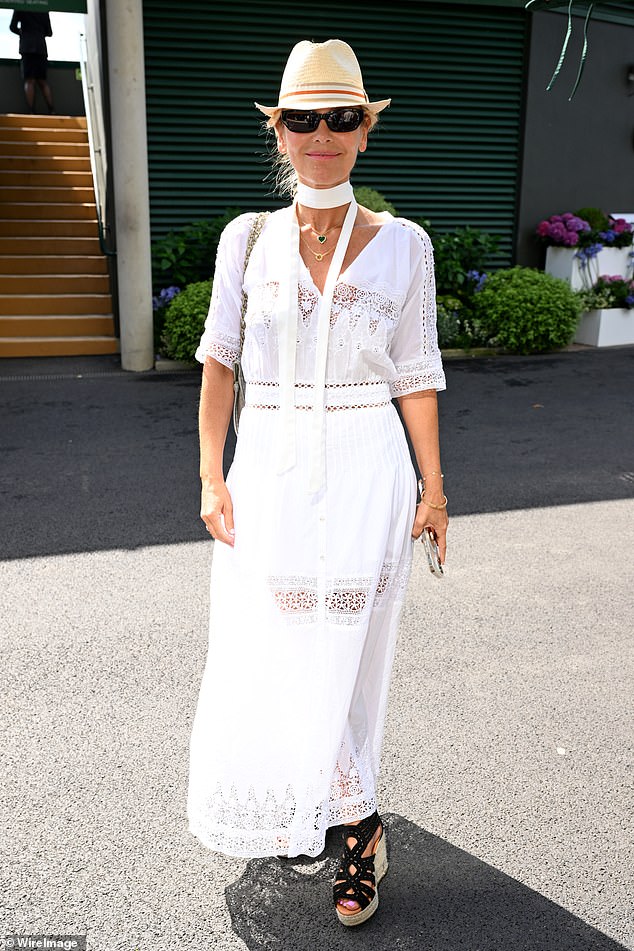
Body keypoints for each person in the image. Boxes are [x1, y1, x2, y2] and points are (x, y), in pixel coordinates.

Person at [187, 39, 448, 927]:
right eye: (304, 119)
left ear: (366, 132)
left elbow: (414, 371)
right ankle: (335, 802)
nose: (323, 133)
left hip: (368, 463)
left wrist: (434, 485)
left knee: (351, 649)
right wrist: (211, 475)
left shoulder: (405, 245)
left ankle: (352, 827)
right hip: (269, 467)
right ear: (282, 132)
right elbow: (219, 364)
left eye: (343, 118)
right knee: (285, 645)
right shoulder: (246, 239)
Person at [9, 10, 55, 114]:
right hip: (40, 47)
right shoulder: (43, 9)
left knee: (29, 81)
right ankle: (51, 110)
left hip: (27, 47)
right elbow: (49, 32)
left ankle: (31, 111)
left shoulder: (20, 7)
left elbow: (12, 27)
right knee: (43, 81)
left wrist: (23, 32)